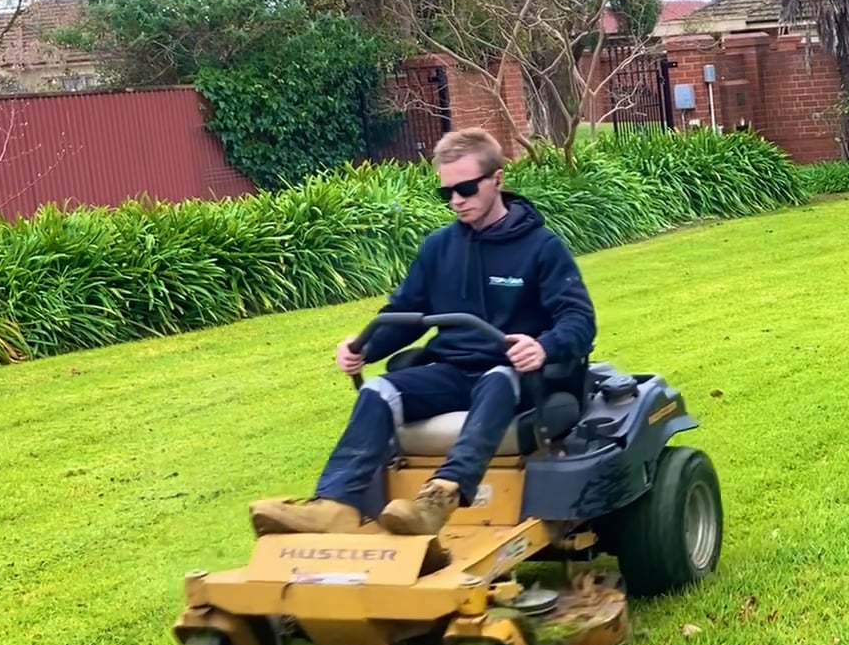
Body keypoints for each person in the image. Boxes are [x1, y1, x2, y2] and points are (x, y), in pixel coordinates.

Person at [249, 127, 596, 537]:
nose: (456, 201)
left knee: (498, 380)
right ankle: (335, 506)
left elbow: (579, 320)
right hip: (450, 371)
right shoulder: (439, 247)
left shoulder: (541, 248)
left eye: (466, 188)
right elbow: (404, 310)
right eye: (446, 193)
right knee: (379, 391)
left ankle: (441, 498)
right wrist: (364, 348)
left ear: (498, 179)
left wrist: (542, 347)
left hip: (515, 375)